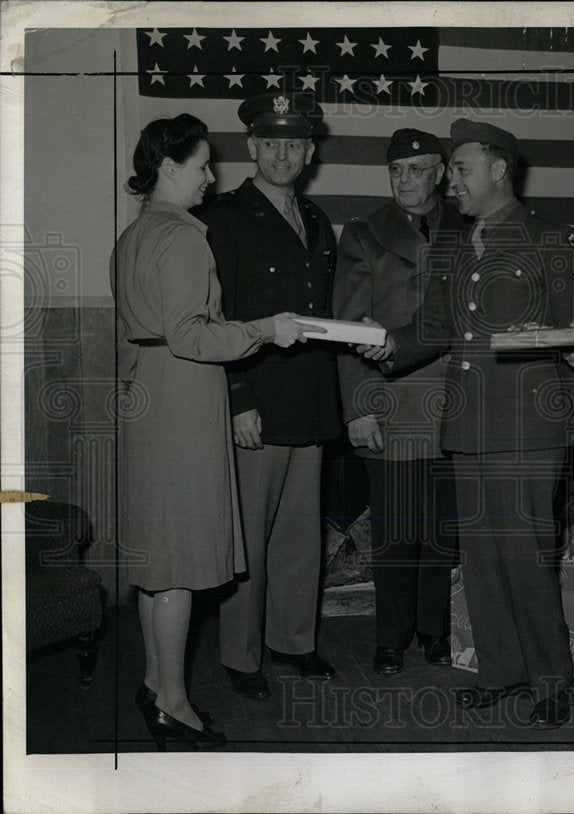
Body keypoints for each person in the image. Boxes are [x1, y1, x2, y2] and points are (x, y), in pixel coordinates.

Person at [359, 118, 574, 728]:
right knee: (484, 556)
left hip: (527, 429)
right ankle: (501, 673)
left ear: (498, 170)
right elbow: (439, 326)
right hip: (466, 422)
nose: (451, 185)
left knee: (525, 554)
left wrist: (559, 411)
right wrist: (390, 345)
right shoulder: (454, 243)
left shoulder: (550, 240)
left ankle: (550, 680)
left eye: (461, 171)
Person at [113, 114, 306, 748]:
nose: (210, 177)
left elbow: (145, 333)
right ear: (169, 168)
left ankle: (153, 682)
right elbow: (191, 334)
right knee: (181, 564)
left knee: (157, 562)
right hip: (184, 404)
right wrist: (263, 329)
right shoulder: (184, 237)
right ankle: (172, 702)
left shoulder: (135, 234)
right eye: (200, 166)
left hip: (150, 396)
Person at [198, 92, 340, 700]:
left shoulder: (316, 221)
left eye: (295, 144)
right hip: (256, 399)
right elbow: (212, 315)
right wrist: (237, 398)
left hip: (309, 397)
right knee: (249, 536)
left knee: (300, 534)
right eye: (271, 142)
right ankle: (242, 654)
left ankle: (294, 641)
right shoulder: (223, 218)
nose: (283, 153)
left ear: (309, 153)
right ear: (253, 148)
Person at [333, 128, 463, 675]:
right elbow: (346, 329)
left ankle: (436, 630)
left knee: (441, 531)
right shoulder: (364, 234)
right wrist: (358, 407)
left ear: (440, 172)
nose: (405, 180)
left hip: (457, 403)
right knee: (394, 533)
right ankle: (391, 637)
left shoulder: (471, 225)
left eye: (416, 169)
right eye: (396, 171)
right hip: (392, 401)